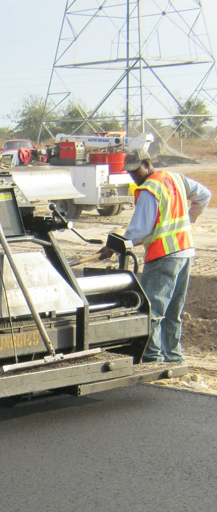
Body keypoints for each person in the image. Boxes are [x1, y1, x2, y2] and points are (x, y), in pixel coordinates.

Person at [98, 147, 211, 363]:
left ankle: (152, 356)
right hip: (185, 252)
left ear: (147, 164)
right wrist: (189, 219)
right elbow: (204, 196)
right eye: (130, 172)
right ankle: (174, 356)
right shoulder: (176, 178)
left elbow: (140, 229)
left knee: (152, 309)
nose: (134, 176)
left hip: (163, 256)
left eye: (136, 170)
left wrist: (112, 248)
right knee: (174, 310)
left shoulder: (150, 189)